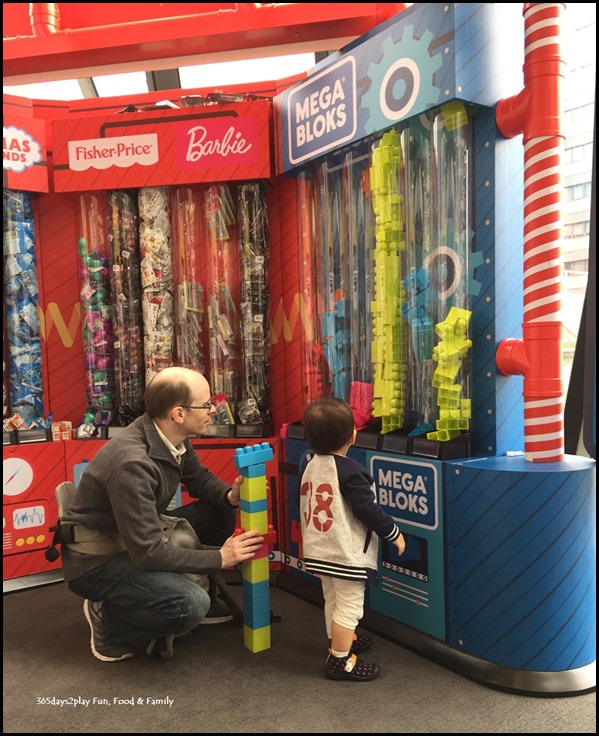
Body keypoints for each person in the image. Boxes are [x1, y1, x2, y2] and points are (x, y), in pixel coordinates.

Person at [60, 366, 264, 663]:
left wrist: (229, 496)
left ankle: (171, 590)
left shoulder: (171, 435)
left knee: (220, 511)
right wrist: (221, 557)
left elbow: (199, 479)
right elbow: (148, 553)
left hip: (133, 534)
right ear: (178, 413)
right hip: (98, 560)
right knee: (191, 605)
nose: (214, 409)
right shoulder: (131, 463)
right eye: (206, 404)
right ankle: (109, 620)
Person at [300, 397, 406, 682]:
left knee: (332, 598)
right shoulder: (350, 471)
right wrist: (392, 532)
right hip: (344, 553)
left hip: (319, 549)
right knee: (350, 605)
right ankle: (340, 660)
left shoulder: (310, 465)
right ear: (353, 435)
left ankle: (339, 639)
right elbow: (367, 508)